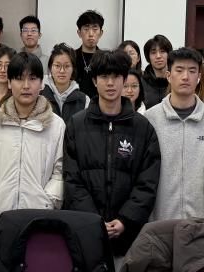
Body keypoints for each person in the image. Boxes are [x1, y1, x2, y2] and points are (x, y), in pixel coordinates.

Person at [63, 50, 160, 261]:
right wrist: (94, 220)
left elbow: (147, 182)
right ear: (94, 81)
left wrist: (125, 219)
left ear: (124, 80)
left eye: (116, 76)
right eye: (104, 76)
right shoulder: (76, 125)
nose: (110, 83)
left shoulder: (143, 128)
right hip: (86, 232)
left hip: (129, 236)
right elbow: (71, 179)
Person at [0, 52, 65, 226]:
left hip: (40, 219)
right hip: (0, 218)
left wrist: (47, 203)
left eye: (32, 78)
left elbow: (60, 172)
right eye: (19, 78)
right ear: (9, 83)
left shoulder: (56, 125)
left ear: (42, 83)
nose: (26, 85)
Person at [145, 47, 204, 222]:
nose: (185, 76)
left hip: (202, 222)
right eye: (179, 70)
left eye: (192, 71)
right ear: (168, 75)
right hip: (160, 221)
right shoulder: (150, 119)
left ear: (199, 77)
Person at [41, 43, 90, 121]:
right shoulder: (39, 94)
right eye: (57, 66)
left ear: (73, 69)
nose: (62, 71)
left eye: (67, 66)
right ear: (50, 68)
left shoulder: (84, 100)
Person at [73, 10, 104, 100]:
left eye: (95, 29)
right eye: (86, 29)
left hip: (99, 104)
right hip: (75, 103)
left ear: (101, 33)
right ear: (79, 33)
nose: (91, 34)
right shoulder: (71, 57)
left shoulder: (105, 59)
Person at [141, 35, 172, 109]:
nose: (158, 56)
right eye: (153, 52)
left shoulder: (175, 81)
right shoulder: (141, 83)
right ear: (148, 57)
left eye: (162, 51)